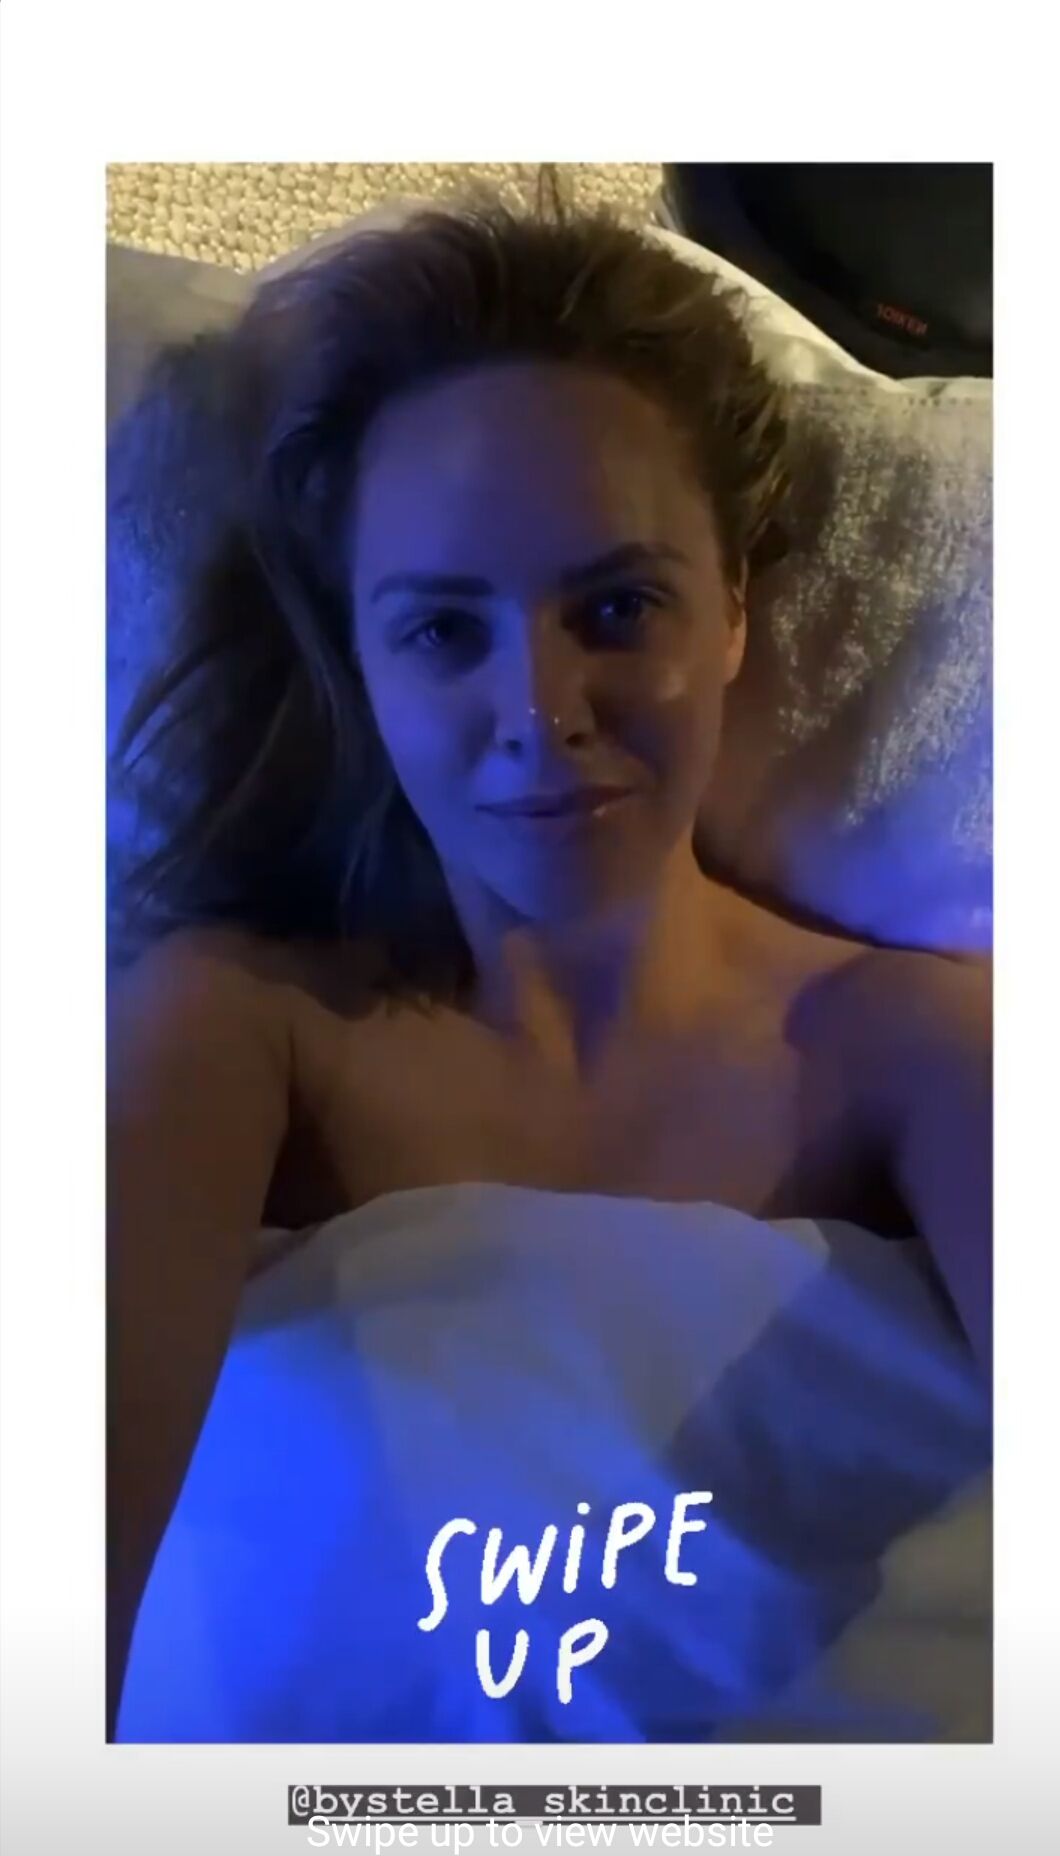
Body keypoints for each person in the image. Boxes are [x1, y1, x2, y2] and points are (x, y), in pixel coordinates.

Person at [106, 172, 991, 1741]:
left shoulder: (918, 1046)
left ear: (733, 608)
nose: (540, 711)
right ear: (360, 656)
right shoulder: (236, 1031)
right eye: (444, 631)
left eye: (618, 606)